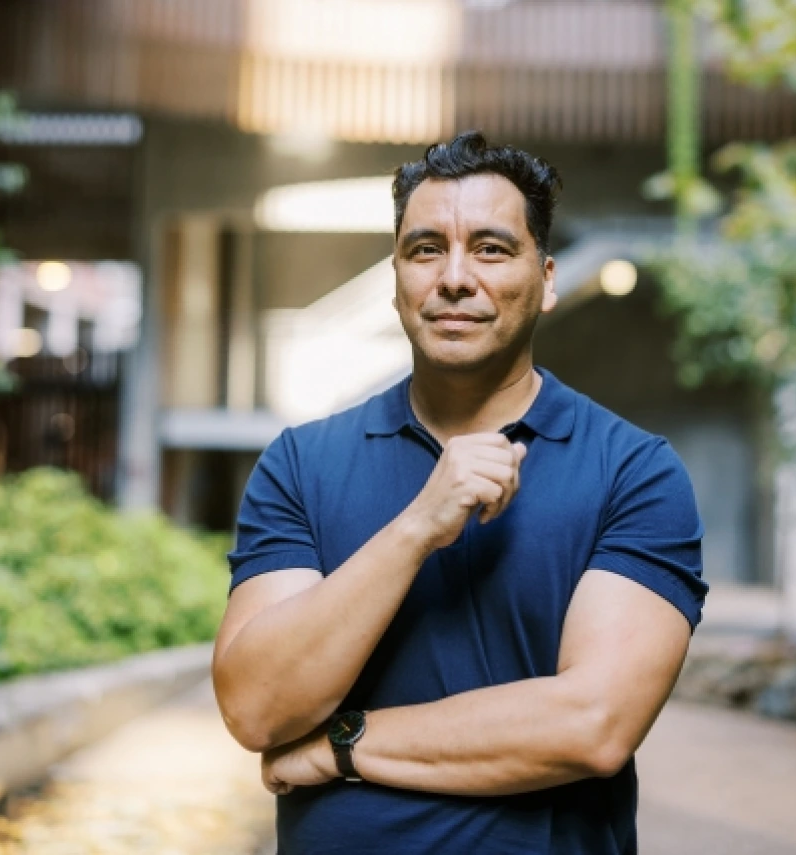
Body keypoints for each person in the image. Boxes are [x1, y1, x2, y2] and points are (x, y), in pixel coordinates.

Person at [212, 131, 707, 855]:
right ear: (396, 281)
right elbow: (257, 707)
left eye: (491, 248)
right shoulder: (302, 462)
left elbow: (592, 724)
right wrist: (418, 525)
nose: (454, 277)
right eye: (424, 249)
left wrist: (342, 744)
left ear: (546, 277)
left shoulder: (634, 472)